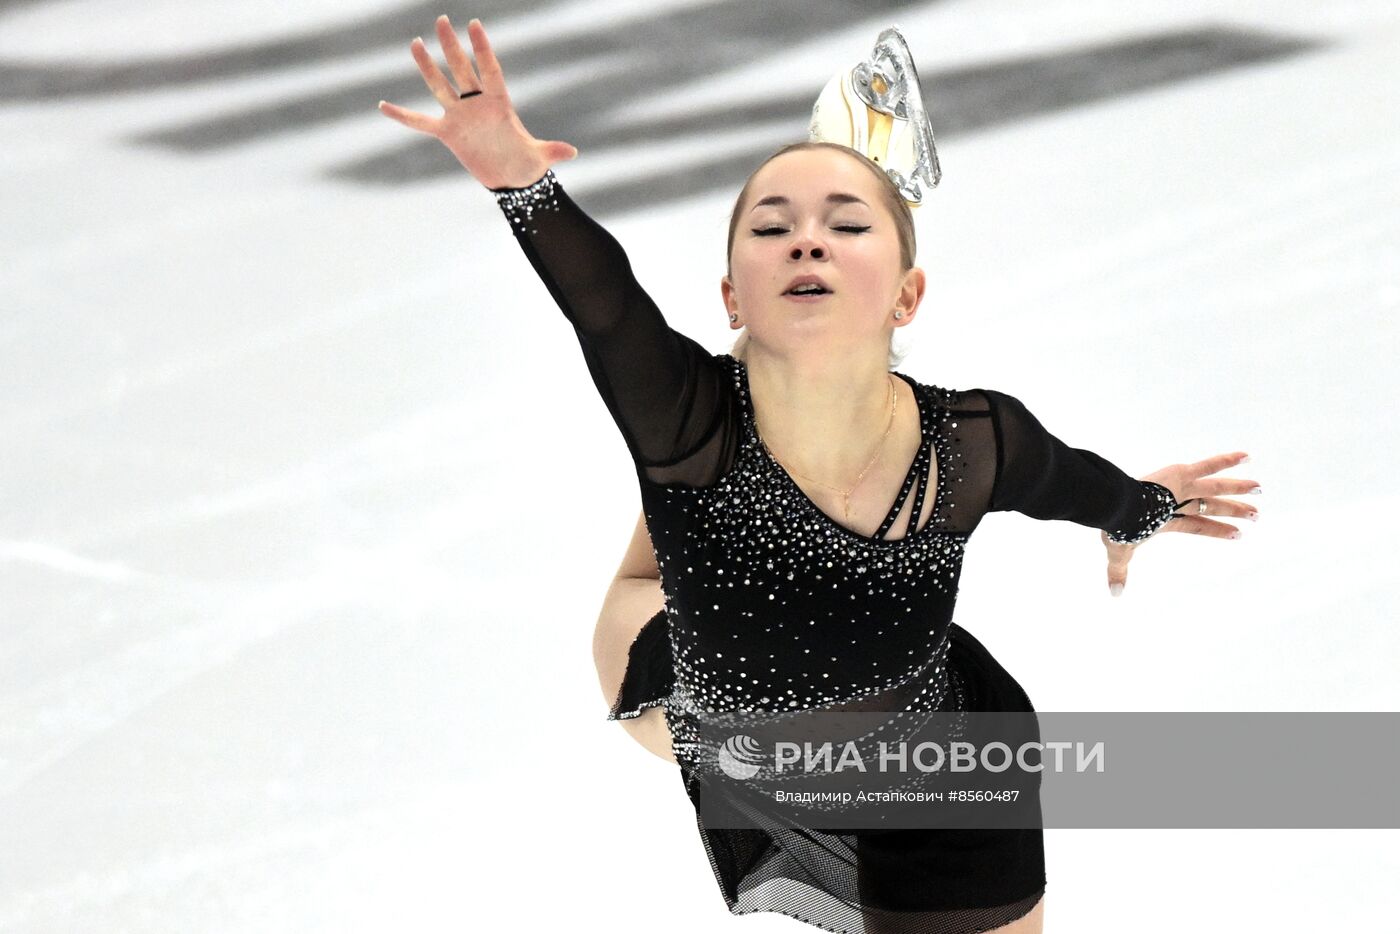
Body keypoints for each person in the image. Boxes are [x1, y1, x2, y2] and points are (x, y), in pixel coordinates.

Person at [378, 16, 1261, 934]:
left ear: (908, 293)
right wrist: (521, 182)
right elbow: (606, 308)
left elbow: (1082, 487)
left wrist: (1145, 510)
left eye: (845, 225)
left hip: (935, 748)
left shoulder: (973, 442)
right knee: (680, 481)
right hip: (715, 721)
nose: (807, 242)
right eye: (773, 227)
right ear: (729, 293)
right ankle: (750, 387)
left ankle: (762, 382)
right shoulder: (688, 415)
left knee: (701, 455)